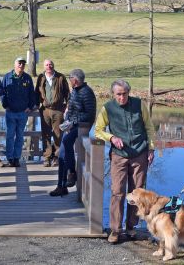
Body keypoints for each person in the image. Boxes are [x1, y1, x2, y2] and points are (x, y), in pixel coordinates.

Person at [94, 79, 155, 244]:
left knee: (137, 192)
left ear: (129, 92)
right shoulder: (107, 108)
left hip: (139, 153)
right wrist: (111, 137)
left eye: (124, 94)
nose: (122, 97)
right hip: (119, 155)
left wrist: (151, 148)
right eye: (118, 94)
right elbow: (98, 130)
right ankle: (115, 229)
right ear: (113, 94)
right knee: (117, 192)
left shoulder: (139, 104)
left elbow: (149, 127)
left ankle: (131, 227)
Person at [49, 69, 96, 197]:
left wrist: (72, 122)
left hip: (81, 127)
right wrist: (67, 120)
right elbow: (71, 108)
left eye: (70, 79)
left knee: (65, 142)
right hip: (72, 125)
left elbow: (90, 115)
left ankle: (72, 173)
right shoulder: (75, 90)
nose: (69, 81)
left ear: (75, 80)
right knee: (62, 156)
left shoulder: (87, 93)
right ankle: (61, 186)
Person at [35, 59, 70, 167]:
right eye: (47, 65)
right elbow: (37, 93)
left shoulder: (60, 77)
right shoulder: (41, 78)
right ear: (44, 66)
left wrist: (68, 106)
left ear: (53, 65)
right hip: (45, 110)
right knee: (45, 134)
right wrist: (36, 105)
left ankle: (56, 157)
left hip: (58, 109)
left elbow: (67, 93)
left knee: (58, 134)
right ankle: (46, 157)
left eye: (50, 64)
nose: (49, 66)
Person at [1, 56, 35, 167]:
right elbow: (2, 93)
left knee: (20, 136)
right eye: (19, 63)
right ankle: (10, 158)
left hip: (23, 113)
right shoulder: (7, 77)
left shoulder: (27, 78)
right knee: (10, 136)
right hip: (10, 112)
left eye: (23, 63)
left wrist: (30, 106)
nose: (21, 65)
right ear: (15, 64)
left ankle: (17, 158)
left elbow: (32, 94)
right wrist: (5, 105)